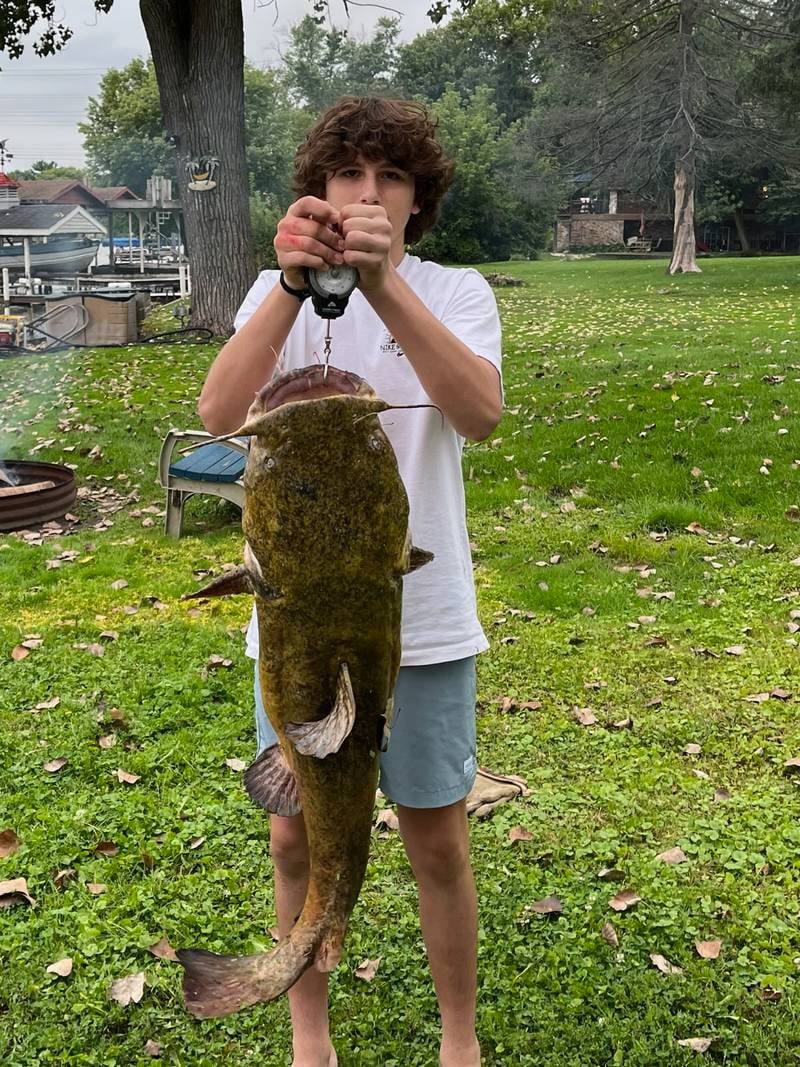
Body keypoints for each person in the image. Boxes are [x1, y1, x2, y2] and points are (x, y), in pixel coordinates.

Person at [198, 96, 503, 1067]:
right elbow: (215, 412)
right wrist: (294, 283)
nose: (368, 193)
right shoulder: (272, 292)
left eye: (391, 178)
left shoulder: (454, 293)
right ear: (318, 190)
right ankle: (308, 1033)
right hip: (291, 628)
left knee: (436, 841)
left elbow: (480, 411)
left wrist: (381, 286)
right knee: (292, 838)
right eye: (349, 176)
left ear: (417, 201)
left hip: (424, 622)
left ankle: (458, 1039)